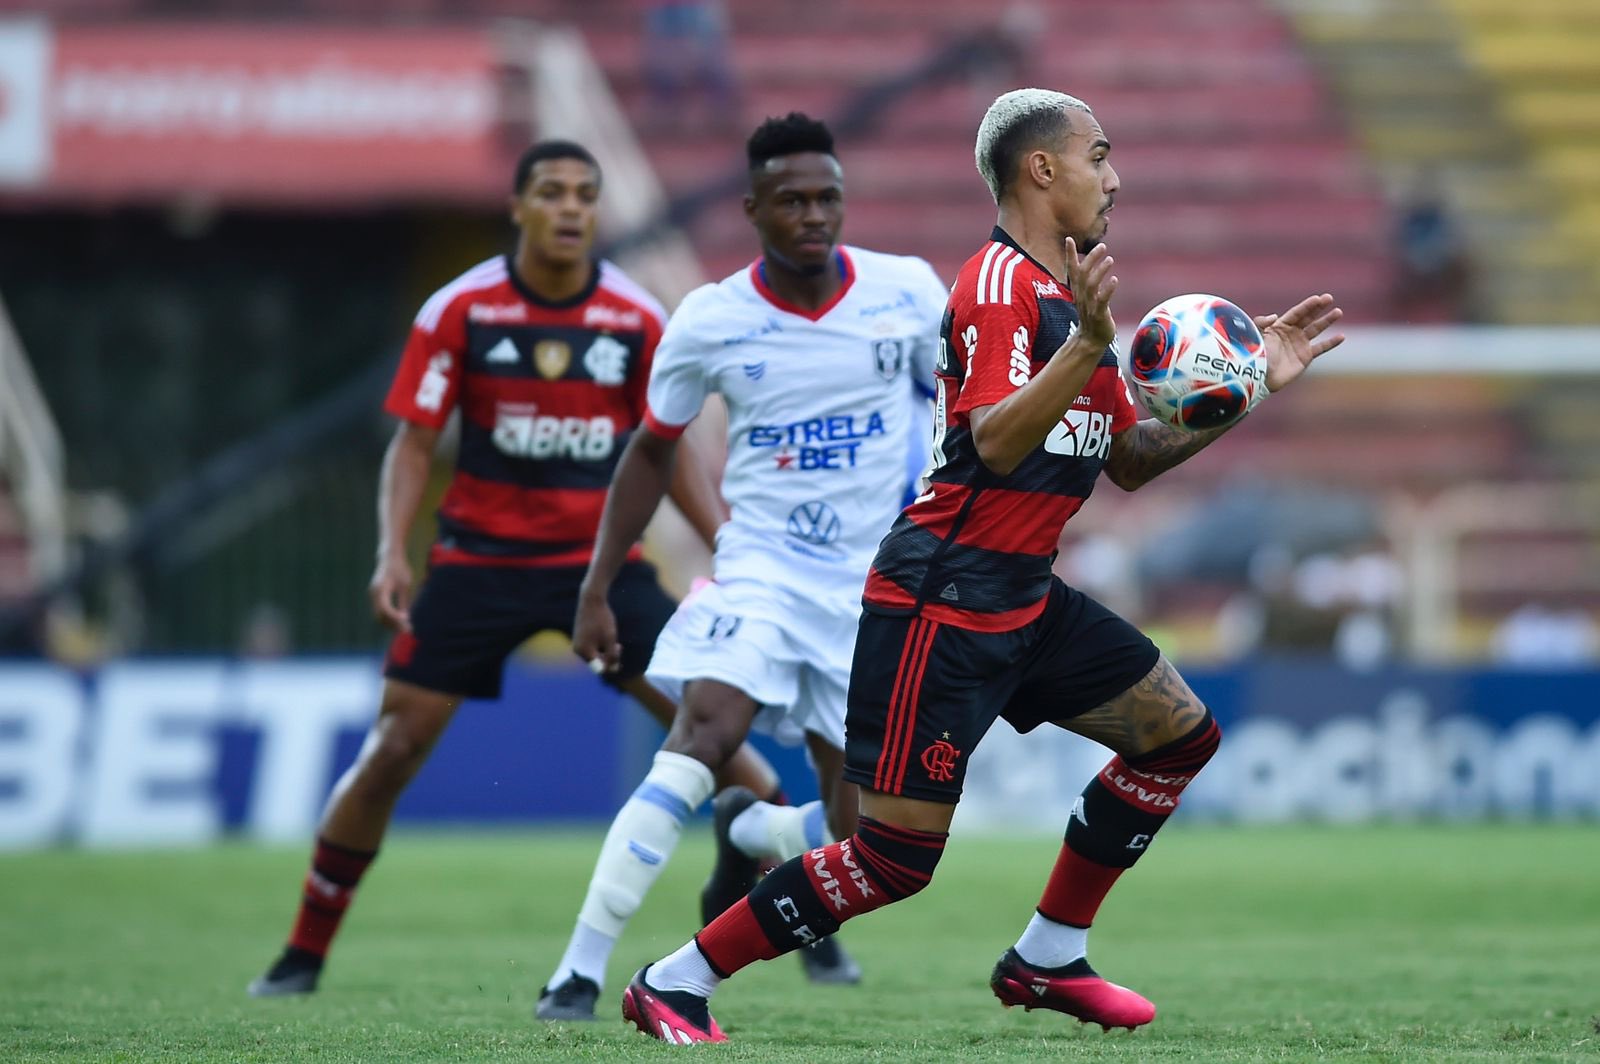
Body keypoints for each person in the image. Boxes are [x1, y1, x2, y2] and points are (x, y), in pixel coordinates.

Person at [620, 87, 1346, 1044]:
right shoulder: (1000, 286)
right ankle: (674, 980)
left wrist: (1237, 393)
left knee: (1177, 736)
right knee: (893, 859)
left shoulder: (1071, 298)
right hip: (941, 596)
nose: (1114, 177)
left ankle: (1047, 953)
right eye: (1099, 155)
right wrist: (1087, 346)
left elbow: (1124, 461)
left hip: (1023, 594)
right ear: (1040, 168)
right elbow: (996, 444)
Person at [246, 139, 782, 997]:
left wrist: (723, 539)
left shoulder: (636, 318)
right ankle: (302, 953)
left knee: (729, 750)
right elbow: (414, 442)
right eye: (553, 193)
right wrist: (393, 549)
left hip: (599, 572)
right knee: (392, 749)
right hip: (477, 564)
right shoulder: (461, 311)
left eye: (585, 194)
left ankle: (774, 909)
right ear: (520, 207)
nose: (571, 208)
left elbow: (665, 447)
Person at [537, 113, 949, 1020]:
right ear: (753, 207)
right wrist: (597, 586)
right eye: (792, 200)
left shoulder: (909, 293)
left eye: (828, 198)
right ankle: (578, 968)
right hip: (762, 565)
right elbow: (652, 449)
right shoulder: (712, 318)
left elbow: (957, 407)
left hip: (871, 589)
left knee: (864, 836)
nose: (813, 215)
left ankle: (752, 826)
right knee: (703, 734)